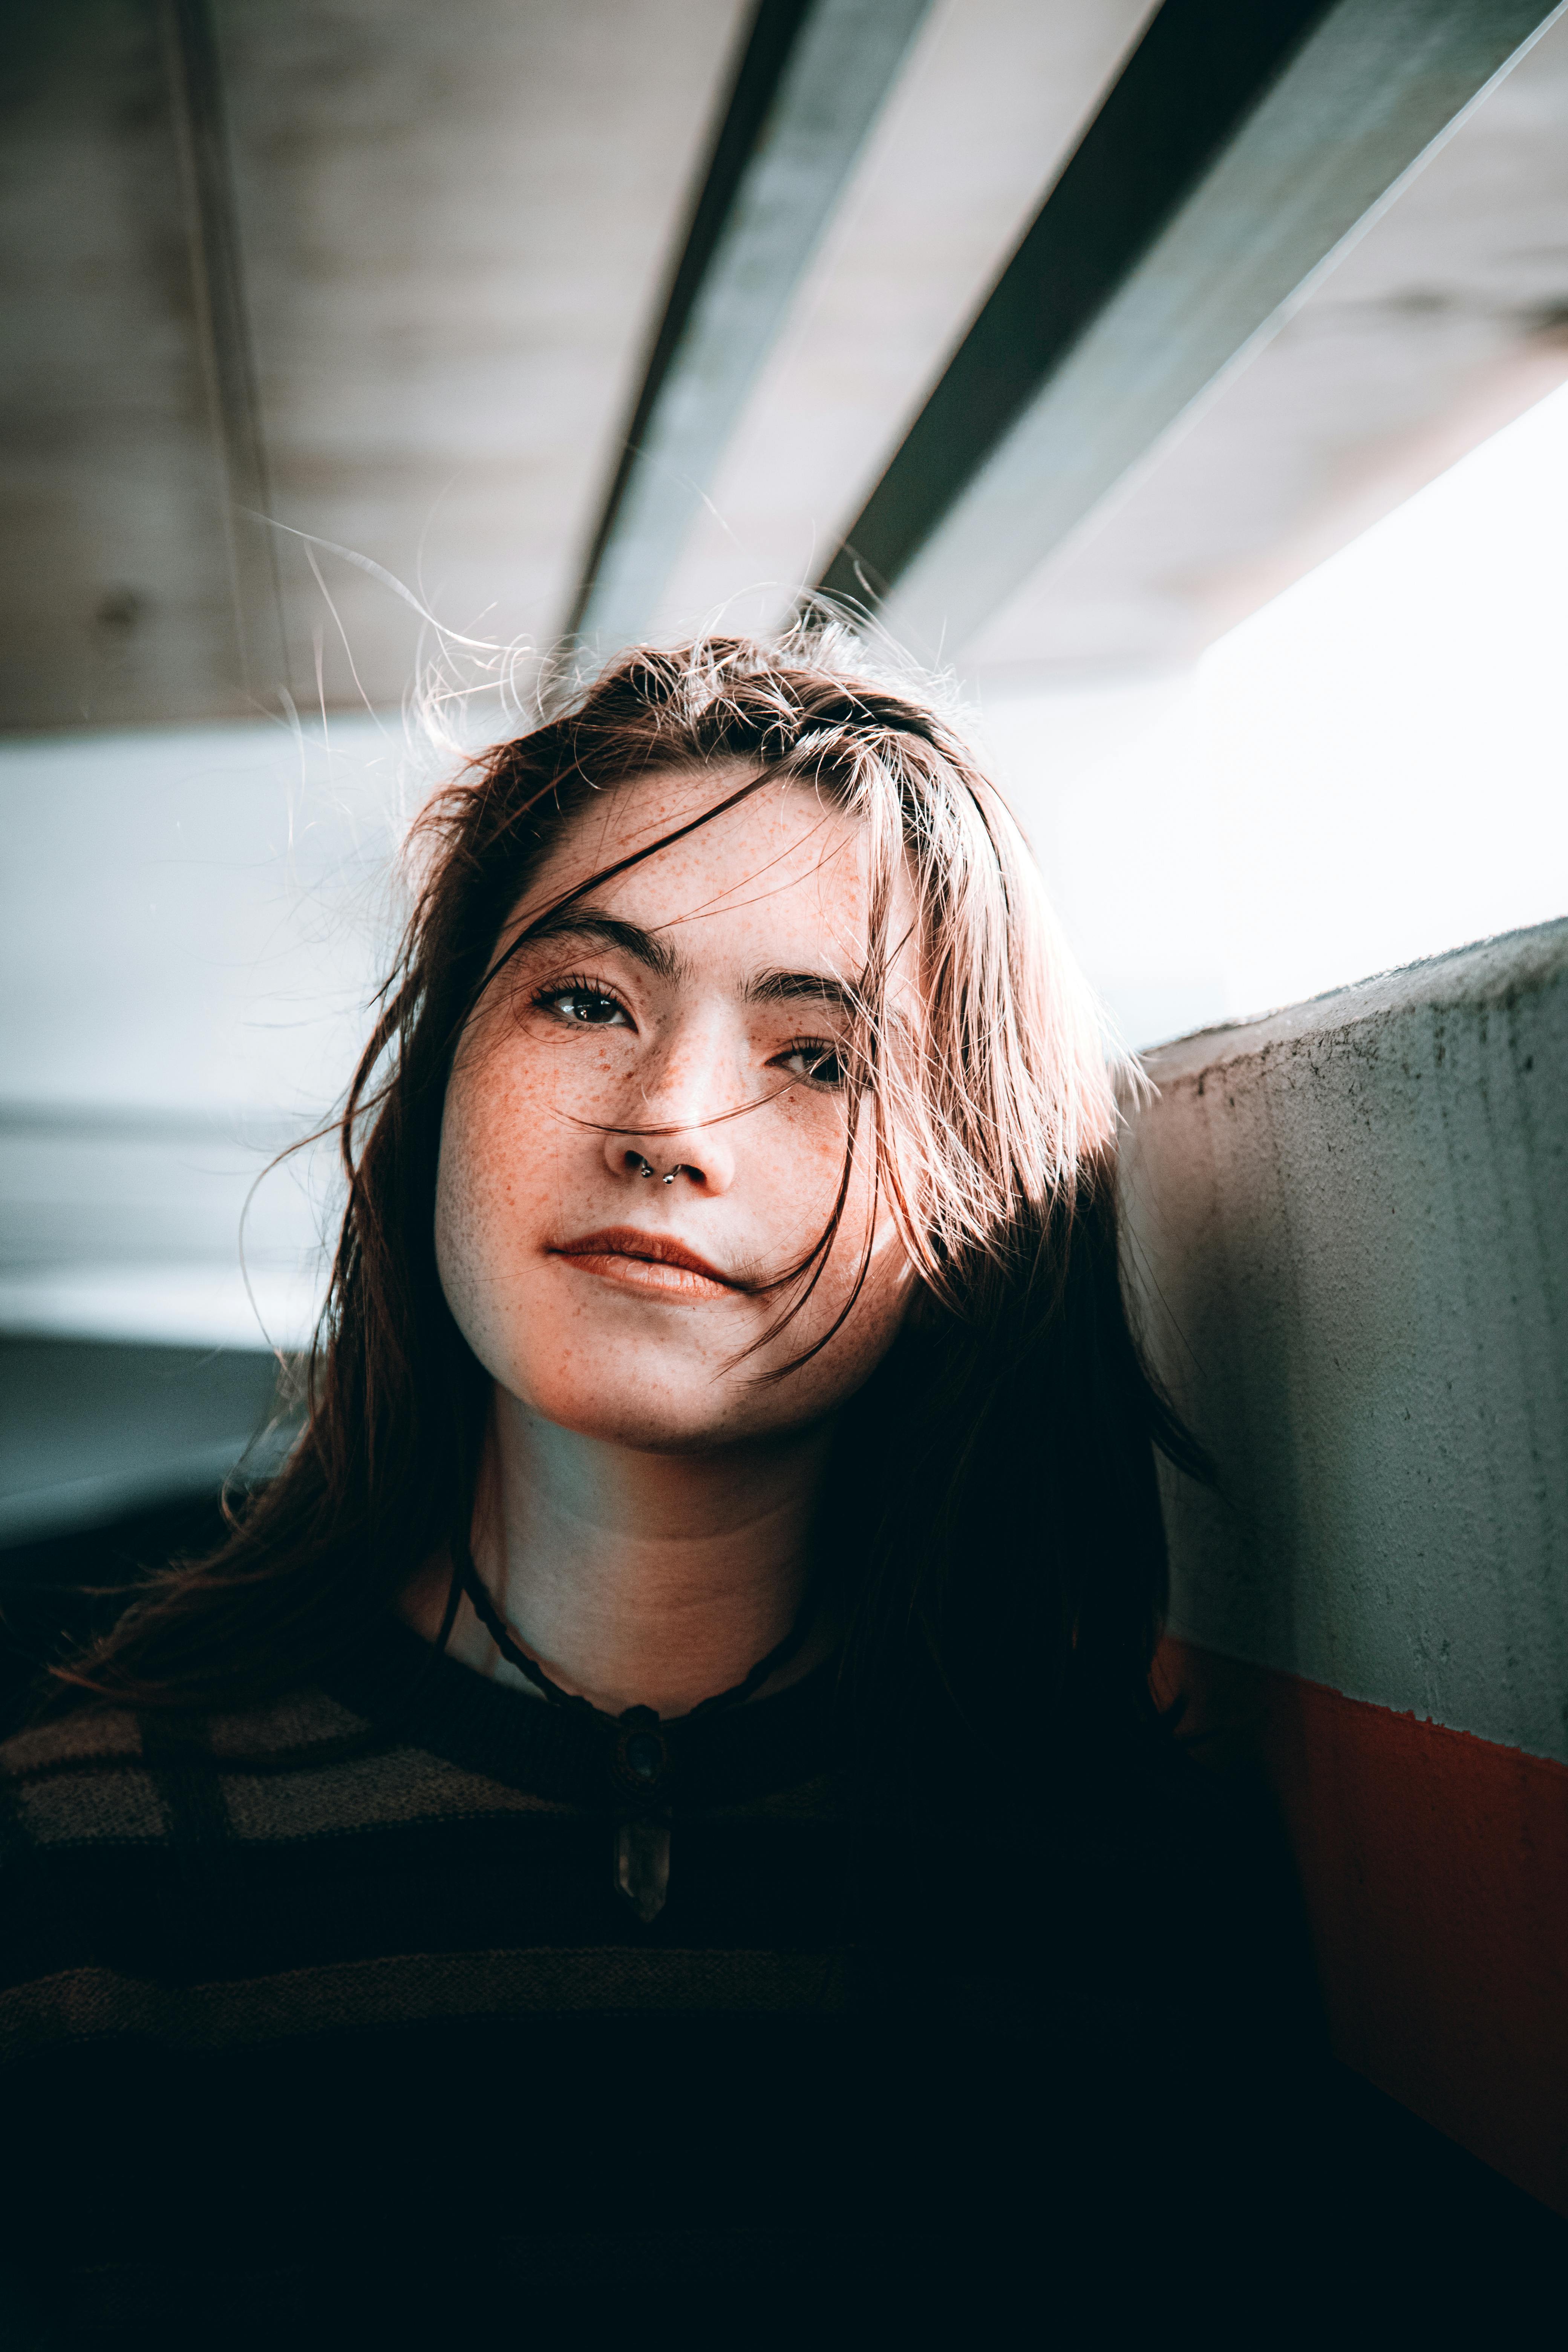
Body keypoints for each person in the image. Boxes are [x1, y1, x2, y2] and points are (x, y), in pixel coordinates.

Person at [0, 626, 1320, 2343]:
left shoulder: (1139, 1913)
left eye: (820, 1057)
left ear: (974, 1198)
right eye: (584, 997)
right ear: (436, 1093)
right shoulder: (79, 1874)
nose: (671, 1119)